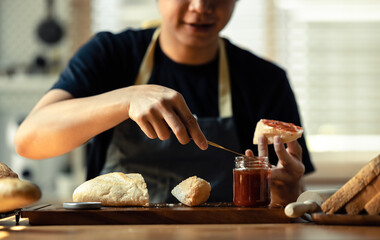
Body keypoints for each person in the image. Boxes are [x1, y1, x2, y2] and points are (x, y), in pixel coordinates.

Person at [14, 0, 314, 206]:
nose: (201, 7)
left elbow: (284, 204)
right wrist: (126, 98)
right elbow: (29, 140)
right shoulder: (109, 55)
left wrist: (285, 190)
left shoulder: (266, 80)